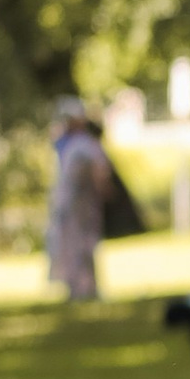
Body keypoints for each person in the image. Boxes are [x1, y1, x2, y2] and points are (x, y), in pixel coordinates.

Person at [46, 101, 112, 303]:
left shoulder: (84, 145)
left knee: (83, 246)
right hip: (69, 203)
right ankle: (76, 288)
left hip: (82, 204)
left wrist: (103, 191)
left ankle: (86, 288)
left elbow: (99, 171)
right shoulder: (70, 144)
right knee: (70, 245)